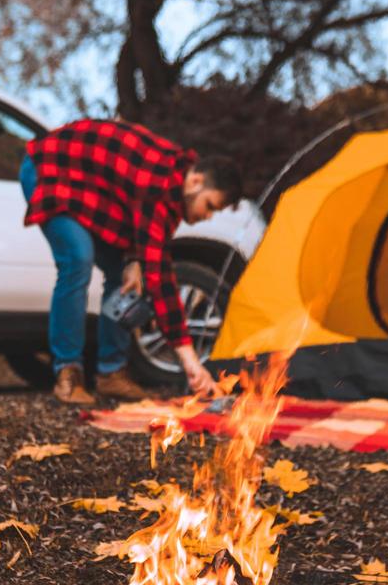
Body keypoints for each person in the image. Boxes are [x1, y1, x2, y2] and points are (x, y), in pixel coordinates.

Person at [20, 117, 242, 404]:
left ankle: (111, 373)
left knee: (123, 274)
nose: (208, 216)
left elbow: (138, 220)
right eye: (209, 205)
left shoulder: (176, 185)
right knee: (78, 258)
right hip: (49, 168)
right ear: (196, 181)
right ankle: (68, 372)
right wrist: (189, 358)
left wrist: (134, 259)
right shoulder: (159, 184)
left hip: (90, 189)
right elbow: (160, 276)